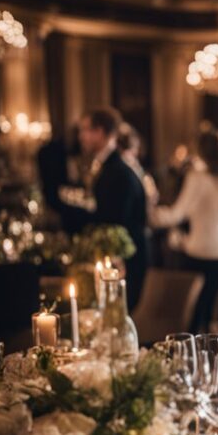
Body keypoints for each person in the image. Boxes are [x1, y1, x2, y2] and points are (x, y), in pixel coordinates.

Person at [150, 129, 218, 333]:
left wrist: (152, 215)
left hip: (198, 250)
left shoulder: (197, 178)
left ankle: (191, 353)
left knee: (194, 312)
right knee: (207, 309)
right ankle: (206, 352)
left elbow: (177, 213)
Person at [65, 108, 149, 309]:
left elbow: (112, 220)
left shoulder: (117, 171)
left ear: (100, 132)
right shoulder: (109, 166)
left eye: (85, 130)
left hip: (127, 261)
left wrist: (70, 213)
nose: (80, 136)